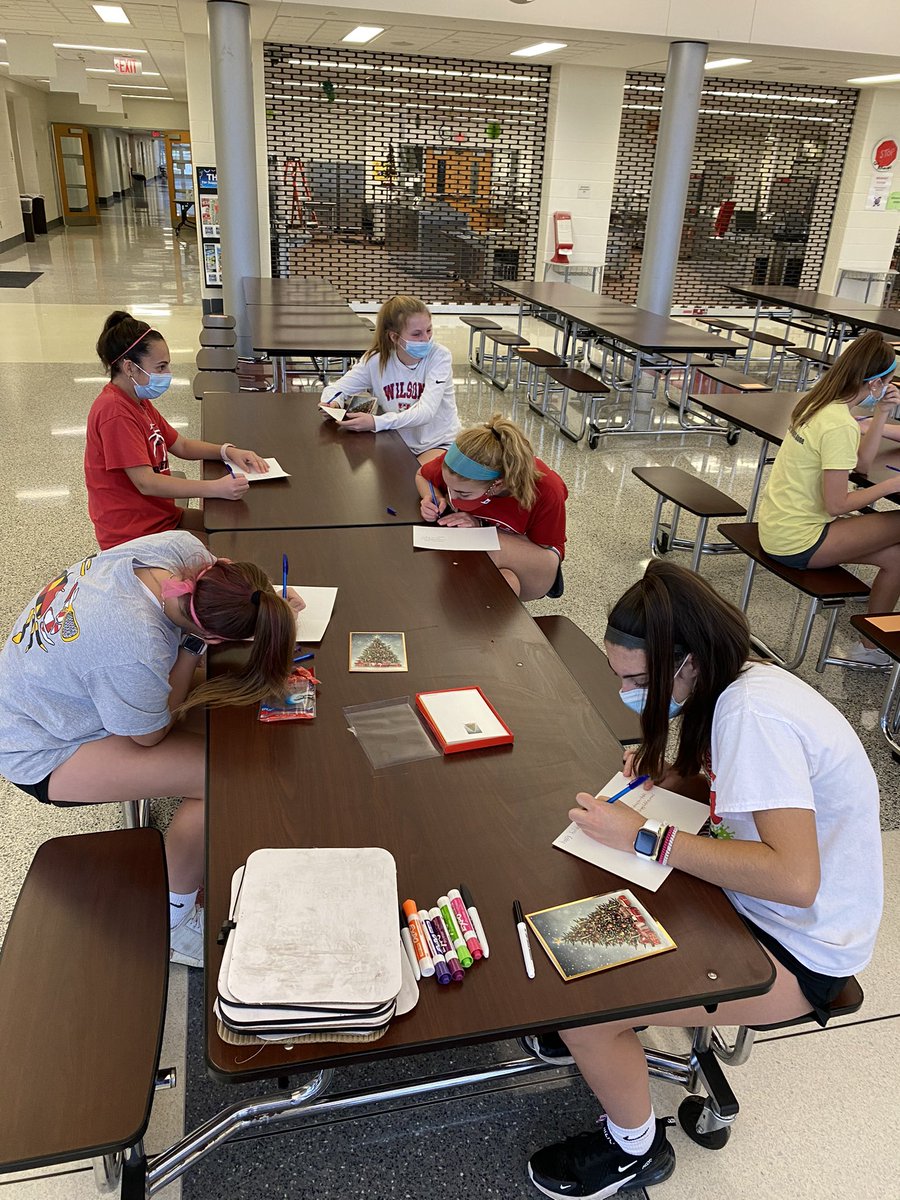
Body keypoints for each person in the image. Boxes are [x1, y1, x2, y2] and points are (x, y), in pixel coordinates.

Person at [525, 560, 883, 1199]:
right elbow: (744, 794)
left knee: (581, 1004)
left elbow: (796, 878)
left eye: (639, 680)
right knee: (578, 920)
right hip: (762, 906)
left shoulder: (753, 715)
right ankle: (596, 1041)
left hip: (800, 949)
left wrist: (643, 834)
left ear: (684, 662)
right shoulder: (739, 682)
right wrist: (670, 772)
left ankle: (634, 1148)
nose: (627, 694)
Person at [0, 531, 303, 969]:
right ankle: (175, 921)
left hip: (54, 692)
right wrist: (193, 646)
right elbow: (150, 736)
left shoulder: (182, 548)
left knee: (223, 722)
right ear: (214, 637)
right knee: (217, 775)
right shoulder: (136, 646)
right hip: (38, 746)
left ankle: (199, 864)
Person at [757, 329, 900, 665]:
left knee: (896, 558)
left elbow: (861, 463)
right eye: (889, 381)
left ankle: (871, 649)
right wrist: (891, 487)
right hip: (798, 539)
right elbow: (836, 505)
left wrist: (881, 414)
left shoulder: (819, 404)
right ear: (875, 383)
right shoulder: (839, 424)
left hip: (779, 527)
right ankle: (875, 644)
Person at [86, 311, 270, 550]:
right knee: (229, 550)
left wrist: (227, 451)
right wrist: (215, 488)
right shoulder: (115, 412)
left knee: (239, 529)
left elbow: (180, 445)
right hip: (134, 534)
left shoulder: (137, 401)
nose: (167, 374)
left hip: (159, 516)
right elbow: (146, 483)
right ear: (130, 367)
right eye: (161, 367)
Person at [415, 414, 568, 601]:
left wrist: (481, 527)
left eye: (463, 494)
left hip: (540, 560)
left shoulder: (547, 490)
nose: (452, 497)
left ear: (497, 485)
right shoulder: (460, 463)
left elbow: (543, 544)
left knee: (481, 554)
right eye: (449, 489)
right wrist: (435, 497)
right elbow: (422, 475)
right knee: (505, 583)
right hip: (500, 558)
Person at [319, 294, 459, 464]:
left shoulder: (440, 356)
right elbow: (335, 389)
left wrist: (376, 422)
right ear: (394, 337)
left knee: (417, 480)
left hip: (437, 443)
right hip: (397, 440)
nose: (426, 339)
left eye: (429, 330)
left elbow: (426, 412)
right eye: (416, 334)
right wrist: (333, 403)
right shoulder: (376, 360)